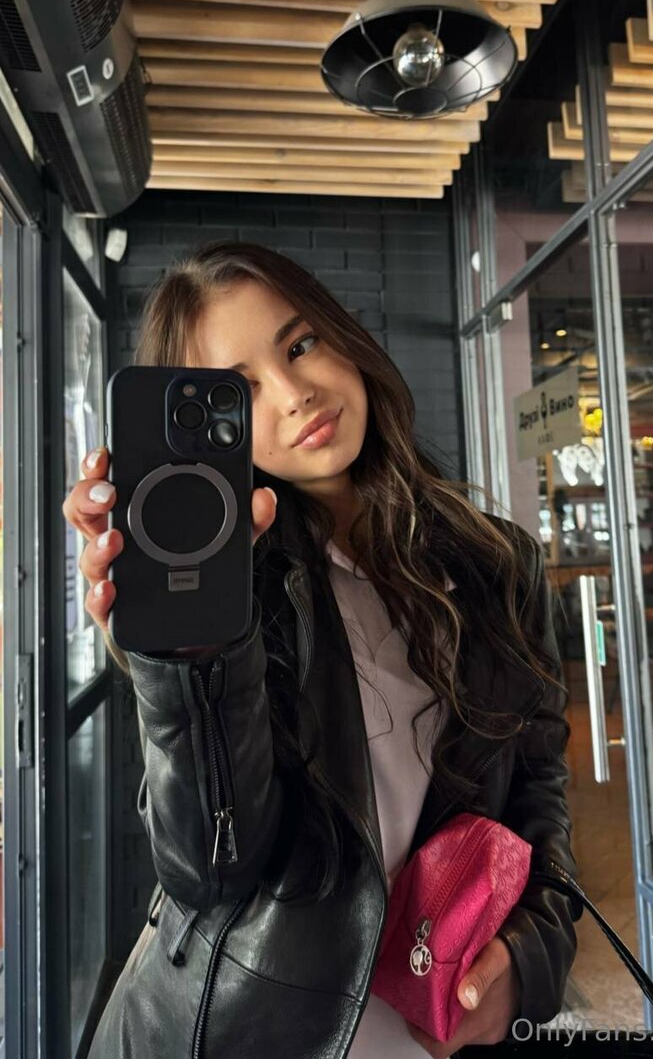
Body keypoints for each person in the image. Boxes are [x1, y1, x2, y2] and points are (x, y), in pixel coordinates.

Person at [62, 241, 582, 1059]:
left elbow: (537, 790)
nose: (294, 393)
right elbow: (210, 870)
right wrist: (182, 661)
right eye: (240, 389)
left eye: (300, 344)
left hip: (431, 1026)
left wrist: (533, 954)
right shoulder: (232, 595)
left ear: (344, 337)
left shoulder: (497, 563)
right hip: (237, 1030)